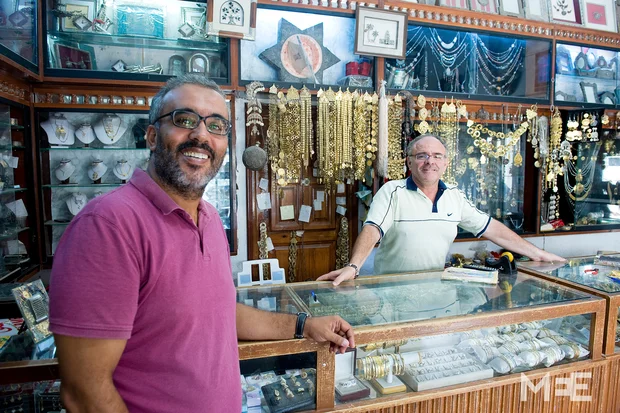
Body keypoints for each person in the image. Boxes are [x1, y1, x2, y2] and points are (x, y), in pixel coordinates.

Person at [49, 74, 355, 413]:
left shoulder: (208, 219)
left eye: (216, 126)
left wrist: (304, 326)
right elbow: (84, 393)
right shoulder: (107, 227)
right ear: (152, 136)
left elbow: (218, 312)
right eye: (184, 120)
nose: (201, 135)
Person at [318, 134, 565, 286]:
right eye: (422, 155)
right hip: (392, 287)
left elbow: (493, 229)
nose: (430, 161)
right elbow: (372, 229)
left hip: (436, 286)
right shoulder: (392, 191)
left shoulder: (455, 196)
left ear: (445, 163)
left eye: (437, 156)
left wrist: (539, 254)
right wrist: (353, 267)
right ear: (409, 161)